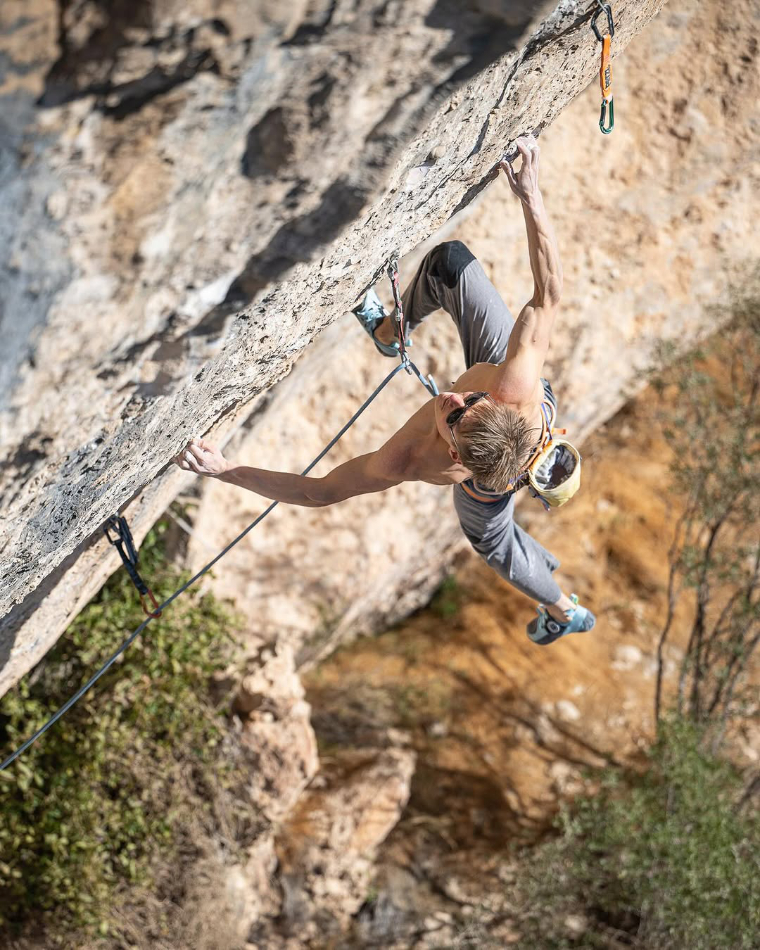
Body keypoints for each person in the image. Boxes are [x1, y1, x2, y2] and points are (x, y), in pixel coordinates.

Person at [175, 135, 595, 645]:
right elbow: (549, 291)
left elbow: (321, 491)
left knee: (496, 541)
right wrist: (531, 192)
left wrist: (226, 470)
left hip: (488, 481)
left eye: (454, 419)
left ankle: (559, 608)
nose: (451, 399)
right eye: (470, 401)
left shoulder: (421, 462)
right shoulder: (515, 383)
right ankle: (389, 331)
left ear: (454, 449)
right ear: (499, 401)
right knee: (449, 264)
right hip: (523, 416)